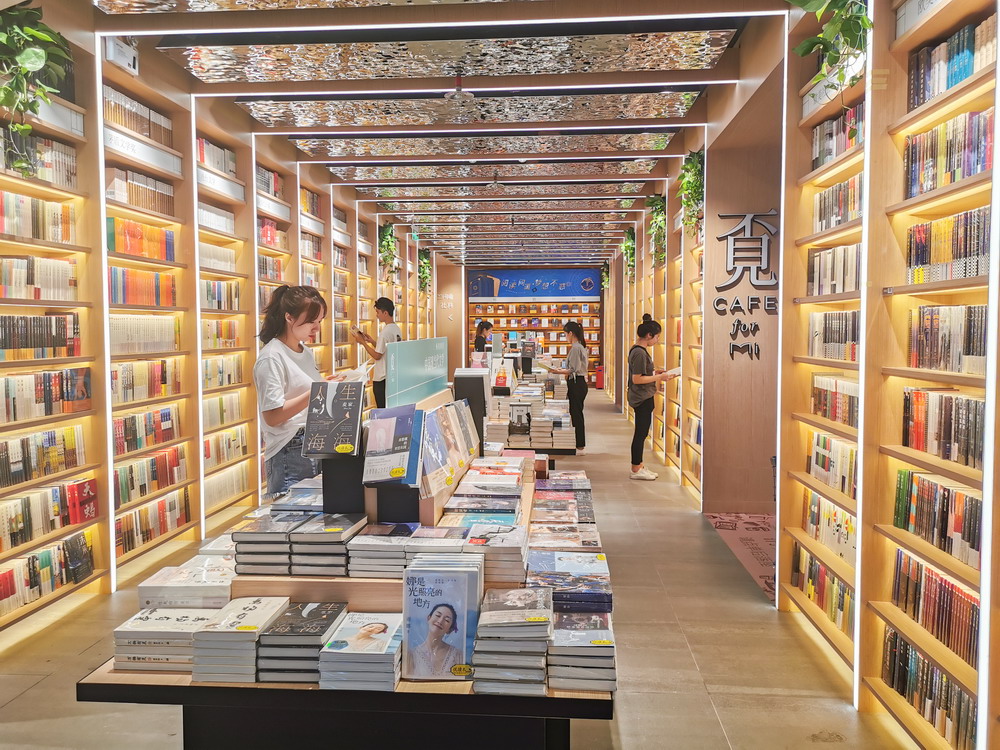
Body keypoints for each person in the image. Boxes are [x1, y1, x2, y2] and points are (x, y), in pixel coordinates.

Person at [254, 285, 342, 495]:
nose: (317, 329)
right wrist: (316, 392)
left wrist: (324, 385)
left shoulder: (305, 352)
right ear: (289, 317)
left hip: (314, 441)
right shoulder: (271, 357)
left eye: (319, 321)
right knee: (294, 512)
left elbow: (302, 390)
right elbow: (272, 416)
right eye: (311, 321)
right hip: (289, 449)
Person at [629, 314, 677, 480]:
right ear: (649, 335)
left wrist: (655, 373)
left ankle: (639, 465)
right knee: (641, 434)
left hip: (643, 396)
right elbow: (637, 379)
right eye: (657, 337)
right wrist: (659, 377)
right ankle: (636, 469)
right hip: (642, 397)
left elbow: (642, 373)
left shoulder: (639, 351)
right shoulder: (640, 353)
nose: (657, 340)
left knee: (642, 433)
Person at [353, 296, 402, 408]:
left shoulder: (385, 332)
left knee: (382, 409)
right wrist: (372, 342)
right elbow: (386, 350)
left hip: (381, 378)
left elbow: (377, 355)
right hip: (390, 377)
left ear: (385, 313)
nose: (376, 315)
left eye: (378, 312)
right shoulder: (396, 329)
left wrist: (363, 342)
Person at [549, 321, 589, 455]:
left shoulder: (576, 348)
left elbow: (573, 369)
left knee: (577, 414)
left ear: (571, 333)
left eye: (565, 334)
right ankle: (579, 444)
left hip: (577, 383)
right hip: (578, 382)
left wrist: (557, 371)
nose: (565, 337)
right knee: (576, 413)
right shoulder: (579, 346)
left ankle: (580, 446)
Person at [407, 603, 463, 678]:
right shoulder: (412, 655)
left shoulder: (457, 655)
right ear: (428, 618)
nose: (440, 621)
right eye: (438, 615)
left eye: (447, 620)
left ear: (449, 630)